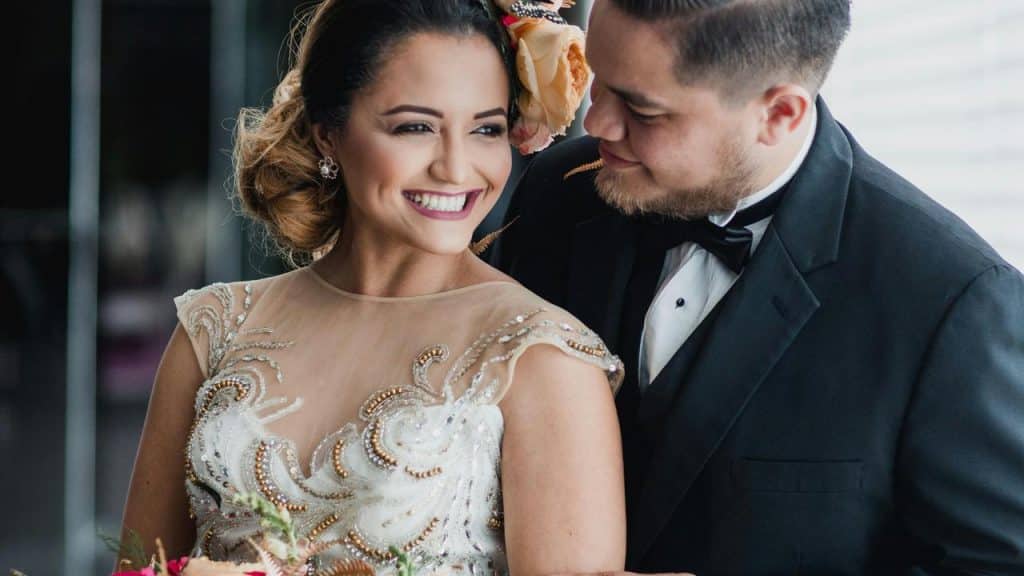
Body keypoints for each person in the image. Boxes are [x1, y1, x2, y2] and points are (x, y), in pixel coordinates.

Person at [496, 0, 1024, 574]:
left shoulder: (954, 304)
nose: (597, 122)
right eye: (599, 80)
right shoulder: (560, 188)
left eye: (642, 110)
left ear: (779, 114)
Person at [118, 1, 625, 573]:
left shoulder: (541, 357)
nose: (456, 168)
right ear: (329, 133)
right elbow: (137, 565)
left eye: (486, 129)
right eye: (415, 127)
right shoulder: (215, 329)